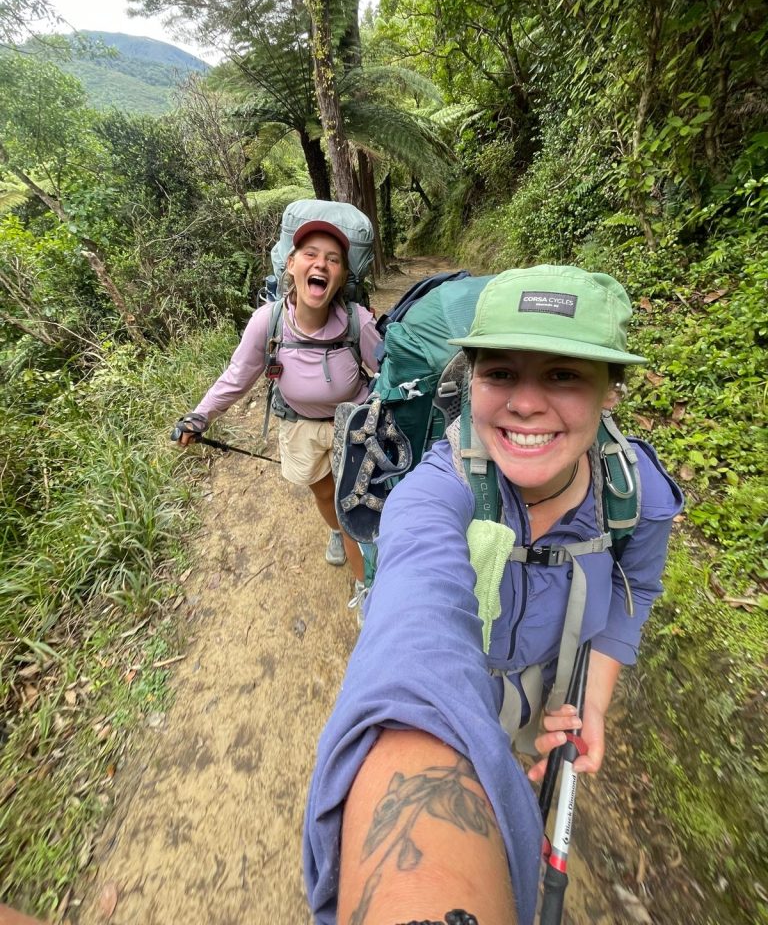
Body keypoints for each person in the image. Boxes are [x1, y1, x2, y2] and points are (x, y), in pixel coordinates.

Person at [303, 266, 683, 925]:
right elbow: (415, 636)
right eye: (501, 373)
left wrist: (592, 701)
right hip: (469, 680)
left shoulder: (635, 494)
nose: (526, 403)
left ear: (610, 391)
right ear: (471, 381)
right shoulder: (437, 489)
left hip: (549, 687)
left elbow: (637, 588)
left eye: (563, 375)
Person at [176, 216, 381, 589]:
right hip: (300, 425)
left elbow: (391, 370)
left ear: (341, 276)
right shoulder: (267, 323)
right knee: (325, 493)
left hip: (353, 423)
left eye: (333, 259)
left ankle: (366, 585)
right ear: (291, 263)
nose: (321, 264)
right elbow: (237, 376)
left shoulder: (358, 321)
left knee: (352, 502)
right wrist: (200, 415)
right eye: (311, 254)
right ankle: (337, 530)